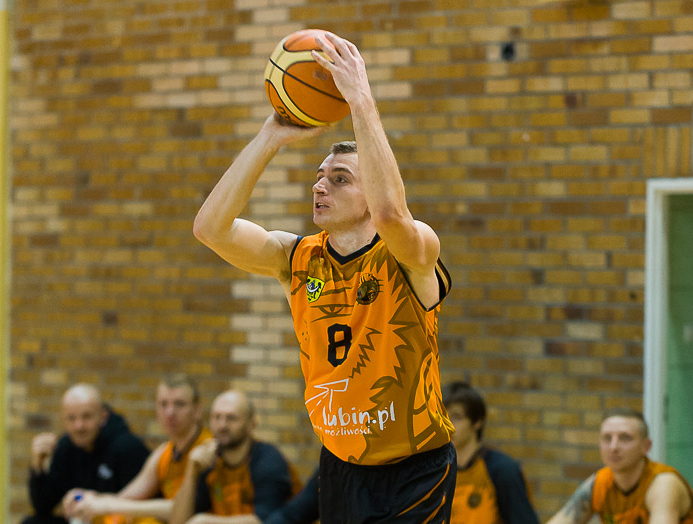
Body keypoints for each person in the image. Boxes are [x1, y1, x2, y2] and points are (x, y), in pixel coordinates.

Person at [193, 32, 455, 522]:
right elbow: (210, 229)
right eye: (318, 175)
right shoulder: (295, 257)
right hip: (339, 468)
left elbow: (391, 215)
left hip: (413, 471)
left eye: (340, 178)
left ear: (371, 191)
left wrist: (361, 102)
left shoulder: (410, 251)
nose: (320, 185)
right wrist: (270, 136)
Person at [68, 375, 211, 524]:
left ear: (197, 410)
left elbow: (183, 512)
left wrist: (109, 505)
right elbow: (125, 498)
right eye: (163, 404)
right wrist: (91, 498)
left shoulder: (208, 450)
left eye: (179, 404)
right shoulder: (164, 453)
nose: (170, 412)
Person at [24, 383, 150, 524]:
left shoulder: (127, 447)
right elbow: (43, 507)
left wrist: (97, 502)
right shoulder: (65, 447)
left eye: (86, 416)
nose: (79, 426)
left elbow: (142, 504)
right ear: (63, 420)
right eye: (71, 418)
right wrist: (38, 467)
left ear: (103, 417)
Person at [169, 390, 300, 524]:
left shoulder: (268, 461)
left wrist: (205, 522)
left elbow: (267, 520)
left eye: (231, 418)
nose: (222, 425)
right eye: (216, 417)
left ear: (252, 424)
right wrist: (191, 472)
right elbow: (178, 521)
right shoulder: (210, 462)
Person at [547, 408, 693, 524]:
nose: (614, 447)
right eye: (607, 438)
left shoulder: (663, 484)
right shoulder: (600, 483)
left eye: (624, 438)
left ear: (646, 446)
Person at [442, 381, 539, 524]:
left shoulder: (503, 470)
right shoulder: (435, 470)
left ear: (477, 422)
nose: (448, 424)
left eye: (456, 417)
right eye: (443, 416)